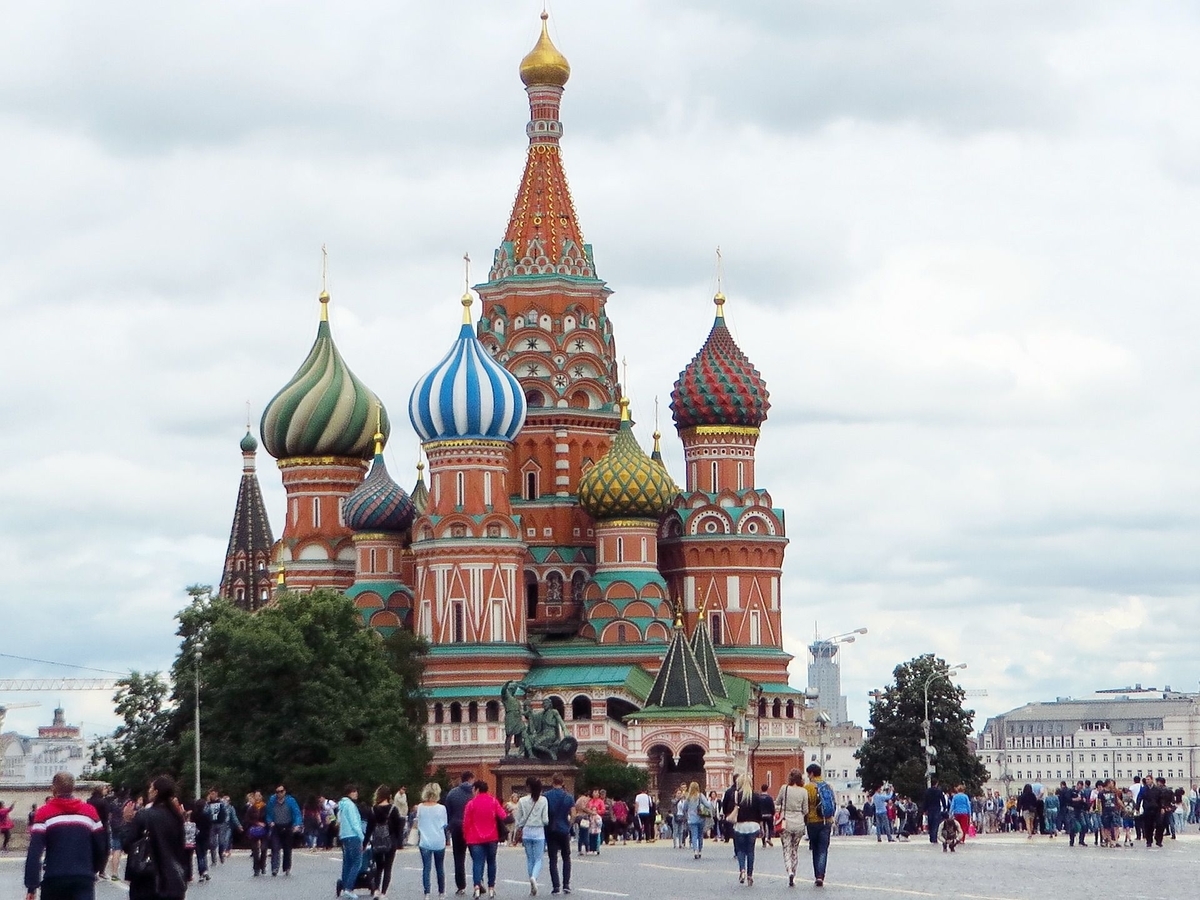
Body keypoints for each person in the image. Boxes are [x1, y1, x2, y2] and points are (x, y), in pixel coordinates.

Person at [24, 772, 106, 900]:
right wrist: (94, 869)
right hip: (83, 878)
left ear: (53, 789)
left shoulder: (43, 813)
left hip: (54, 878)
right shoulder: (90, 812)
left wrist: (32, 886)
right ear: (73, 788)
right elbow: (101, 846)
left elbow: (34, 852)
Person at [124, 776, 189, 900]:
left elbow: (128, 845)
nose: (148, 791)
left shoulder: (143, 815)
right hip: (173, 879)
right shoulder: (176, 817)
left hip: (146, 878)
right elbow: (181, 848)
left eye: (151, 788)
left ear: (156, 792)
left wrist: (127, 822)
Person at [463, 780, 508, 900]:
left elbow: (466, 822)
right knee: (491, 862)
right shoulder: (493, 801)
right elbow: (503, 815)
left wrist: (466, 836)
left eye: (473, 790)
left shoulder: (471, 804)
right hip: (492, 837)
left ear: (477, 789)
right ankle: (491, 889)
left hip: (474, 838)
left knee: (477, 863)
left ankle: (477, 888)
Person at [722, 774, 763, 887]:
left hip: (739, 826)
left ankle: (742, 870)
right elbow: (759, 814)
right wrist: (761, 826)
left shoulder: (736, 796)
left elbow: (728, 809)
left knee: (740, 850)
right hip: (753, 826)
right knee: (750, 851)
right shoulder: (756, 796)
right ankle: (750, 874)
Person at [444, 772, 476, 896]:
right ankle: (478, 883)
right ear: (470, 779)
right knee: (476, 857)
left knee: (458, 858)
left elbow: (448, 812)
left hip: (457, 827)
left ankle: (461, 886)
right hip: (472, 828)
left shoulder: (452, 793)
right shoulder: (474, 793)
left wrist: (450, 826)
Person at [516, 778, 549, 896]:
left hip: (526, 831)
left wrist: (519, 828)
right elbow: (545, 820)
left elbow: (518, 818)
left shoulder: (522, 800)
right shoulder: (543, 800)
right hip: (539, 831)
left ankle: (531, 884)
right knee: (538, 858)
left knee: (530, 859)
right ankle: (534, 877)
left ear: (528, 787)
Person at [415, 783, 449, 899]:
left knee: (426, 868)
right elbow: (445, 824)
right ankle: (441, 892)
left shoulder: (420, 807)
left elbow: (418, 822)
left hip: (424, 841)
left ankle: (427, 893)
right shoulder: (441, 808)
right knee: (440, 867)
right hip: (438, 840)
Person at [368, 785, 403, 898]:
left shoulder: (373, 809)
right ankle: (383, 893)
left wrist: (365, 843)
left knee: (378, 867)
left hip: (377, 841)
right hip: (390, 841)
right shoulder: (393, 809)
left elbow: (369, 828)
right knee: (388, 868)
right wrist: (399, 842)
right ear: (389, 796)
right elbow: (398, 827)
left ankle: (376, 890)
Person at [775, 769, 808, 888]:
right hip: (799, 823)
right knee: (795, 850)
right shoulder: (804, 791)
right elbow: (806, 810)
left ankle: (789, 871)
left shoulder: (784, 788)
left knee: (787, 849)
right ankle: (794, 874)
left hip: (786, 823)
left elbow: (777, 802)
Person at [542, 774, 573, 896]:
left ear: (552, 781)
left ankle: (556, 886)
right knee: (566, 857)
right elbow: (573, 814)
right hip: (564, 829)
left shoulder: (546, 796)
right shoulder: (568, 796)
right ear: (563, 782)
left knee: (553, 859)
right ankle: (566, 885)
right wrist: (569, 825)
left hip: (551, 829)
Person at [803, 764, 832, 888]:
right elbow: (833, 803)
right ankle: (821, 875)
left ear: (811, 774)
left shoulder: (808, 788)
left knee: (815, 848)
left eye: (808, 774)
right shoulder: (828, 786)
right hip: (826, 821)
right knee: (823, 849)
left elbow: (805, 806)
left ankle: (817, 875)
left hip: (813, 821)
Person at [265, 785, 300, 877]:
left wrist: (297, 824)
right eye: (277, 792)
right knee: (275, 848)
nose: (279, 794)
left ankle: (287, 867)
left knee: (287, 848)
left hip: (288, 826)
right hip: (276, 826)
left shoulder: (291, 801)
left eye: (281, 791)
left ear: (285, 792)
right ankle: (275, 868)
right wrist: (270, 821)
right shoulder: (272, 801)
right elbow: (268, 813)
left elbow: (297, 813)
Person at [338, 786, 365, 900]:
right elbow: (355, 823)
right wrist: (362, 837)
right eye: (354, 791)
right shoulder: (350, 805)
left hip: (344, 835)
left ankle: (345, 886)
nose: (356, 793)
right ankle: (349, 888)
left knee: (347, 863)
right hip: (353, 835)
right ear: (349, 793)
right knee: (357, 862)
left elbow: (339, 820)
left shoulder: (342, 805)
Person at [683, 782, 712, 860]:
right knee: (700, 835)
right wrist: (709, 801)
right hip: (700, 818)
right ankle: (700, 850)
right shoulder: (700, 796)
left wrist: (687, 816)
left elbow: (684, 808)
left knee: (694, 835)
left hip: (691, 819)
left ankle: (695, 850)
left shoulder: (688, 797)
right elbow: (707, 805)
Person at [243, 791, 267, 876]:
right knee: (255, 850)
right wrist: (256, 823)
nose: (257, 798)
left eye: (259, 796)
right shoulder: (251, 808)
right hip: (254, 830)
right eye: (256, 796)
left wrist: (265, 824)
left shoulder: (265, 807)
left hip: (264, 830)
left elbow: (268, 818)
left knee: (263, 849)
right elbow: (247, 819)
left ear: (261, 797)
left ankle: (262, 865)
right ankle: (256, 868)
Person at [188, 800, 211, 882]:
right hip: (205, 836)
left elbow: (191, 825)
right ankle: (205, 870)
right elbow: (209, 826)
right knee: (204, 854)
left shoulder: (193, 815)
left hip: (196, 836)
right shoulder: (206, 815)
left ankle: (201, 873)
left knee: (199, 855)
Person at [922, 778, 946, 844]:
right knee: (935, 824)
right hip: (936, 808)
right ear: (936, 783)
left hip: (929, 809)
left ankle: (931, 837)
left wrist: (924, 809)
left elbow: (925, 801)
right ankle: (934, 838)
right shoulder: (939, 791)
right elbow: (943, 799)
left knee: (930, 823)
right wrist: (944, 807)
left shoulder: (927, 791)